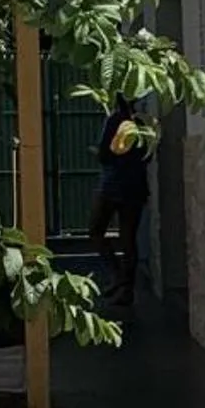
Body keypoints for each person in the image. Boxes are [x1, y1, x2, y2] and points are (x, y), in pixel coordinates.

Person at [89, 97, 151, 309]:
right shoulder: (142, 124)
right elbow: (147, 156)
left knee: (96, 229)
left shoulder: (114, 120)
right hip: (136, 187)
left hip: (112, 184)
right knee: (129, 239)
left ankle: (116, 275)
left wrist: (99, 153)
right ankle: (127, 289)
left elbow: (105, 154)